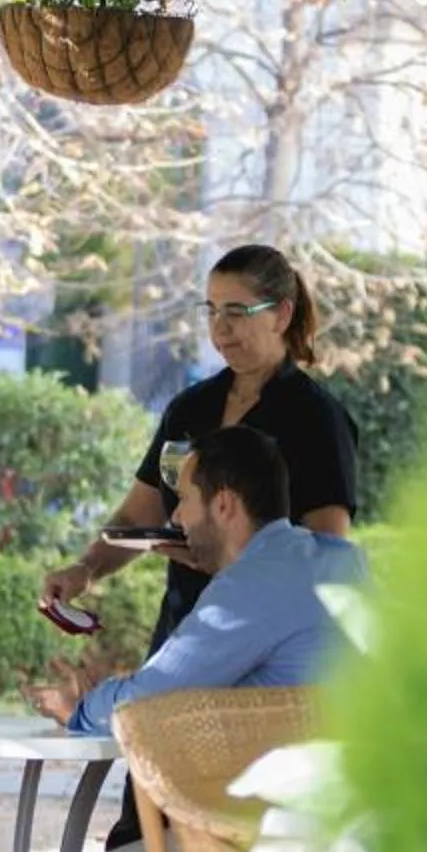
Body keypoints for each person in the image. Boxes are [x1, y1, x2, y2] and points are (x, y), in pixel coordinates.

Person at [30, 425, 364, 852]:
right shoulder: (344, 561)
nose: (175, 519)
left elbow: (149, 701)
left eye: (183, 500)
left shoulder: (248, 589)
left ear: (225, 504)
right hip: (371, 835)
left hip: (271, 844)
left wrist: (80, 706)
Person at [39, 243, 359, 656]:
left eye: (236, 312)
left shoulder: (316, 418)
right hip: (183, 633)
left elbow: (327, 557)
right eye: (211, 311)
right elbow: (138, 515)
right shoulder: (190, 408)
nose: (219, 329)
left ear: (282, 314)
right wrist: (86, 569)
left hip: (264, 646)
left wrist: (225, 558)